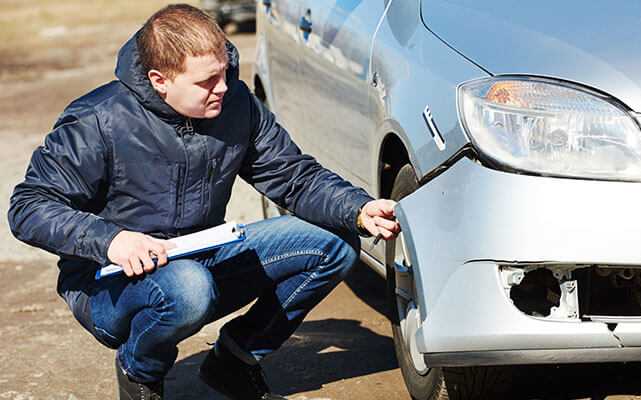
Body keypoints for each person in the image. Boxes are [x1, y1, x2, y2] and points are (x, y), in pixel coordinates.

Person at [7, 4, 400, 400]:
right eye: (207, 81)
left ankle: (234, 361)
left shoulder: (235, 104)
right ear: (159, 80)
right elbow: (29, 206)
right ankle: (140, 372)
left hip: (201, 255)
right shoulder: (97, 120)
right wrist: (113, 240)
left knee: (333, 243)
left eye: (224, 72)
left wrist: (357, 208)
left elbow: (292, 176)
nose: (223, 87)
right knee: (187, 290)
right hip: (110, 283)